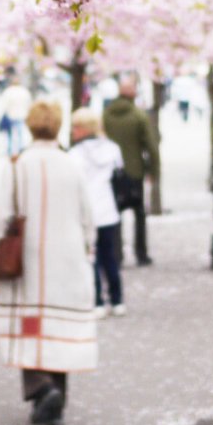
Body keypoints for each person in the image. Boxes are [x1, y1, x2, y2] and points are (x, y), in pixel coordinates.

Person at [0, 100, 98, 425]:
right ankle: (57, 396)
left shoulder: (17, 165)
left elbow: (0, 217)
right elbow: (88, 217)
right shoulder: (72, 164)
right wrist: (87, 251)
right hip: (68, 261)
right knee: (60, 329)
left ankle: (41, 388)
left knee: (32, 328)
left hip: (29, 261)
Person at [68, 110, 127, 318]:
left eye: (76, 127)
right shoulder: (112, 149)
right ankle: (117, 299)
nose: (72, 131)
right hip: (108, 209)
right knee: (109, 256)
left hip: (87, 212)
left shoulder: (74, 155)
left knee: (91, 257)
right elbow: (119, 176)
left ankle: (97, 301)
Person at [100, 77, 160, 266]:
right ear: (133, 92)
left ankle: (116, 254)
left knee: (114, 213)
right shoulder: (138, 115)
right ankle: (141, 253)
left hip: (112, 172)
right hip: (135, 171)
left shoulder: (106, 114)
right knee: (139, 214)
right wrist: (154, 170)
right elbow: (151, 145)